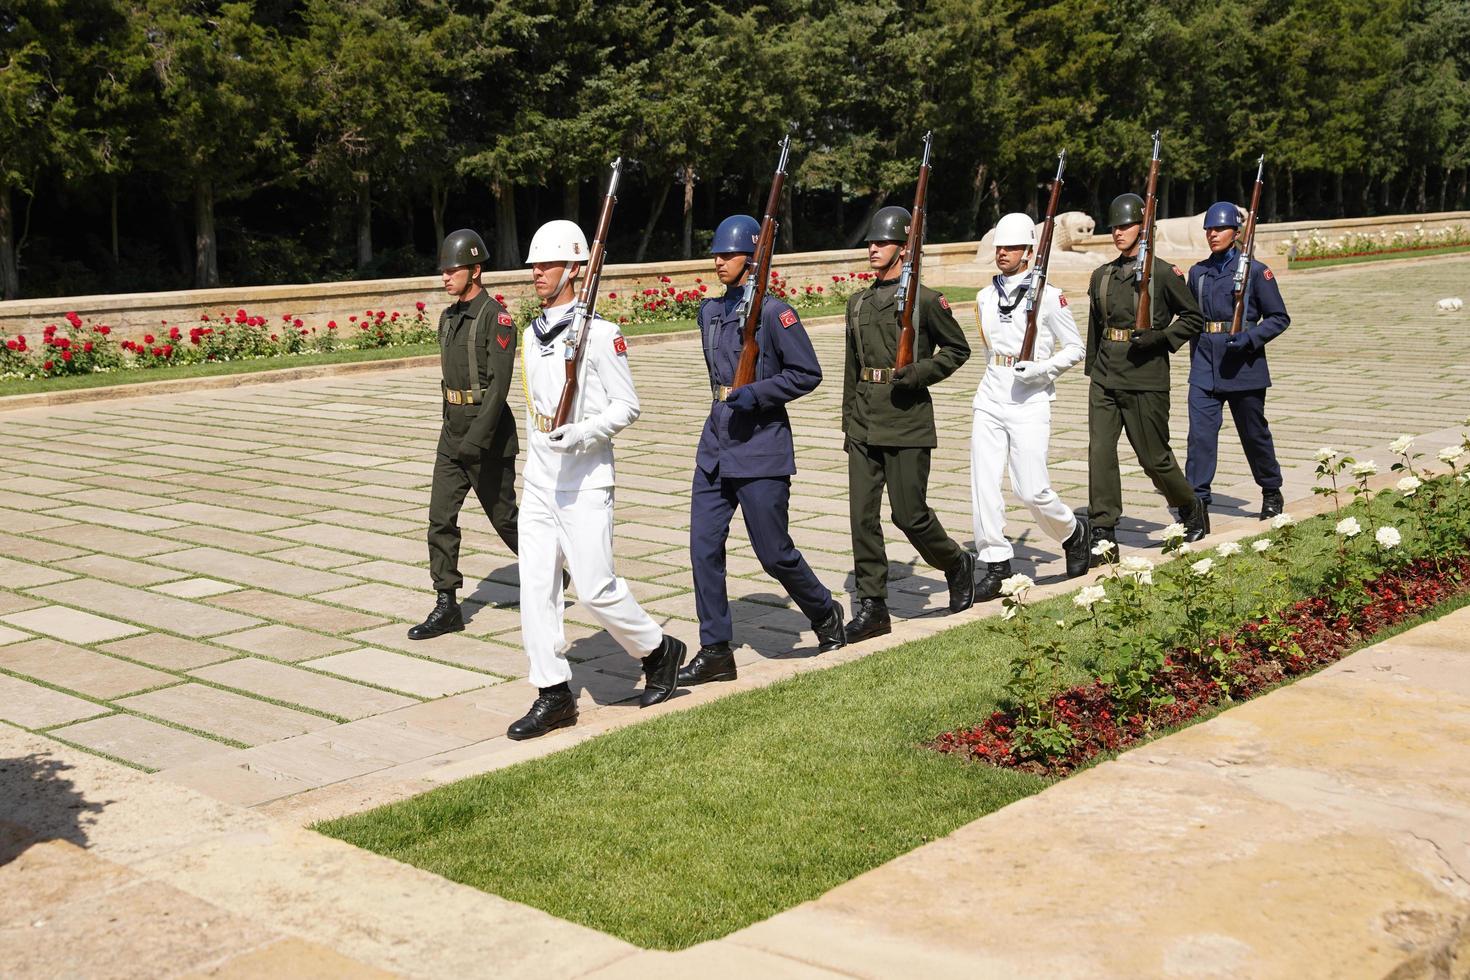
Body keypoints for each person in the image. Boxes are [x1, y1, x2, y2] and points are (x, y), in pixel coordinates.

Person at [508, 219, 686, 740]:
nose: (537, 273)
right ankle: (553, 692)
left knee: (595, 589)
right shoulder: (529, 334)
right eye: (535, 266)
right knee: (535, 588)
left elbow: (628, 406)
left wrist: (582, 432)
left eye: (547, 265)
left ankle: (657, 648)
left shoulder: (602, 334)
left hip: (585, 481)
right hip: (540, 481)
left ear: (574, 270)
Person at [680, 215, 846, 685]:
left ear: (752, 260)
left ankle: (824, 612)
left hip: (760, 447)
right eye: (715, 254)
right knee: (702, 549)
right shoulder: (709, 312)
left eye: (727, 255)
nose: (718, 262)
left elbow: (806, 373)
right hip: (715, 444)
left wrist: (754, 393)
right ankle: (715, 649)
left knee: (773, 553)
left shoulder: (775, 313)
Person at [842, 205, 975, 642]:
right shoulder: (857, 302)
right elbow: (851, 368)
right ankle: (873, 605)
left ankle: (955, 562)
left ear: (903, 248)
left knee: (909, 515)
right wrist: (848, 424)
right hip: (863, 422)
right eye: (871, 243)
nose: (874, 249)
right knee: (862, 517)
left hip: (907, 420)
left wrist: (918, 373)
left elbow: (957, 350)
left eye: (882, 243)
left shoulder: (925, 300)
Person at [970, 212, 1091, 600]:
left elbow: (1075, 348)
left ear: (1028, 252)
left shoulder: (1049, 295)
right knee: (984, 485)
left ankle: (1073, 532)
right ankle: (996, 563)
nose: (1002, 253)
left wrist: (1041, 370)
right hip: (991, 394)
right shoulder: (985, 297)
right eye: (999, 247)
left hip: (1030, 397)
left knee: (1031, 488)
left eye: (1011, 248)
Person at [409, 229, 520, 640]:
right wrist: (452, 434)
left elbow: (500, 386)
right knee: (440, 519)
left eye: (452, 270)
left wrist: (476, 439)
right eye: (443, 270)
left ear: (475, 270)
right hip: (451, 433)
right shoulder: (448, 317)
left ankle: (548, 574)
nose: (445, 277)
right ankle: (447, 603)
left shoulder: (497, 318)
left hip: (486, 436)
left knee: (506, 519)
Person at [1084, 193, 1207, 552]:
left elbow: (1193, 318)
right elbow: (1096, 328)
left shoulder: (1164, 273)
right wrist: (1094, 371)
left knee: (1153, 457)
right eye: (1114, 227)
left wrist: (1162, 337)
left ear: (1143, 227)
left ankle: (1188, 504)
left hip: (1145, 376)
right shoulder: (1102, 276)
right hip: (1105, 376)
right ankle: (1103, 526)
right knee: (1100, 453)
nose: (1118, 233)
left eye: (1125, 226)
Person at [1186, 201, 1290, 520]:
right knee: (1200, 437)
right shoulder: (1198, 272)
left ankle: (1271, 490)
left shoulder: (1257, 272)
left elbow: (1279, 317)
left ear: (1236, 232)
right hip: (1205, 366)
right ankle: (1198, 501)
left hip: (1244, 366)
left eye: (1219, 229)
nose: (1213, 234)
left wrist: (1249, 337)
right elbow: (1192, 319)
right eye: (1209, 230)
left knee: (1254, 434)